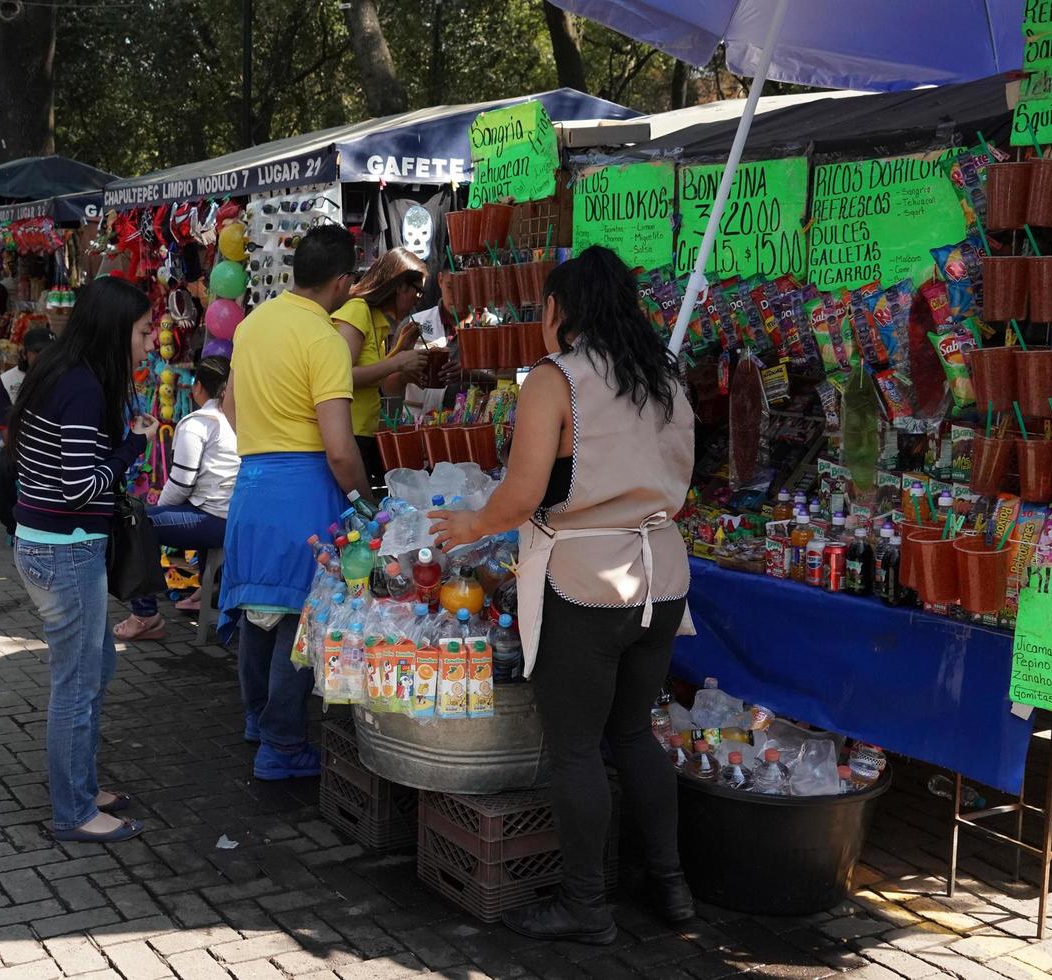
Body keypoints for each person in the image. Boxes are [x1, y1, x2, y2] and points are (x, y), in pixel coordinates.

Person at [427, 246, 695, 943]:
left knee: (576, 749)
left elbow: (520, 496)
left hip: (585, 580)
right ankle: (671, 889)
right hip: (660, 576)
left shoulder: (557, 378)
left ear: (559, 310)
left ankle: (587, 908)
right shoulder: (664, 373)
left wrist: (471, 525)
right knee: (634, 734)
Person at [5, 276, 157, 843]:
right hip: (65, 548)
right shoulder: (83, 387)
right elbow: (77, 487)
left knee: (95, 671)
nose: (148, 344)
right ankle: (73, 811)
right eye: (143, 333)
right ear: (117, 331)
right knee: (76, 684)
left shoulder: (66, 374)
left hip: (53, 543)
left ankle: (81, 786)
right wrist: (131, 447)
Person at [219, 224, 370, 780]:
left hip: (253, 488)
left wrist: (265, 447)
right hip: (304, 492)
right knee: (297, 624)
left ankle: (259, 722)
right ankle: (281, 745)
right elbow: (339, 450)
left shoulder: (253, 324)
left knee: (260, 614)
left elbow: (230, 408)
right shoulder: (324, 340)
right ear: (344, 282)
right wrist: (365, 502)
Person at [117, 355, 239, 641]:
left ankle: (145, 615)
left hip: (215, 520)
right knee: (151, 517)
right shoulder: (240, 418)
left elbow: (181, 484)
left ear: (197, 387)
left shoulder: (198, 423)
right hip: (234, 516)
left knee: (134, 522)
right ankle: (204, 591)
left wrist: (155, 510)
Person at [332, 248, 429, 487]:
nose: (417, 302)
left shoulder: (377, 322)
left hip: (363, 433)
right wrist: (397, 361)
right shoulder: (357, 311)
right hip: (348, 435)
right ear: (400, 286)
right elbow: (339, 376)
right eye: (418, 293)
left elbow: (377, 377)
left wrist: (400, 349)